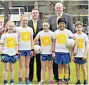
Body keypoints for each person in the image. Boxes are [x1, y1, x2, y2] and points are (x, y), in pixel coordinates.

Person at [48, 2, 74, 81]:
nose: (58, 9)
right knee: (57, 63)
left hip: (65, 45)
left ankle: (67, 78)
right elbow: (49, 30)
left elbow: (71, 29)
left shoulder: (68, 16)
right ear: (55, 8)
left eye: (60, 7)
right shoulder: (51, 17)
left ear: (63, 8)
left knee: (66, 64)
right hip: (56, 44)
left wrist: (71, 43)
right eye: (57, 7)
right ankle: (57, 77)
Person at [52, 18, 75, 84]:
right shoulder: (56, 32)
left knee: (66, 66)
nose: (61, 25)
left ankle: (66, 79)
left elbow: (74, 38)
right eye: (60, 23)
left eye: (63, 24)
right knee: (59, 67)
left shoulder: (68, 32)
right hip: (58, 52)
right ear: (58, 24)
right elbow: (53, 42)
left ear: (65, 24)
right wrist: (53, 52)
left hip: (66, 52)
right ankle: (60, 79)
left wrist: (73, 45)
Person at [17, 15, 34, 84]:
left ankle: (27, 80)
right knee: (21, 66)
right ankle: (20, 80)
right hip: (21, 49)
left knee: (27, 65)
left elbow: (31, 40)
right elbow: (16, 40)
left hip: (28, 49)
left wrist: (32, 49)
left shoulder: (30, 29)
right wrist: (17, 50)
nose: (25, 22)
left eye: (26, 20)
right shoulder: (18, 29)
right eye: (23, 20)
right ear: (21, 21)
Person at [28, 8, 42, 82]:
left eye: (36, 13)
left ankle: (39, 78)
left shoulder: (41, 23)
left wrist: (38, 41)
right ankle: (30, 78)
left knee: (39, 63)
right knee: (31, 63)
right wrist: (32, 43)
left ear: (38, 14)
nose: (35, 14)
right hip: (31, 46)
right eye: (33, 13)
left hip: (39, 46)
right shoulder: (28, 23)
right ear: (31, 14)